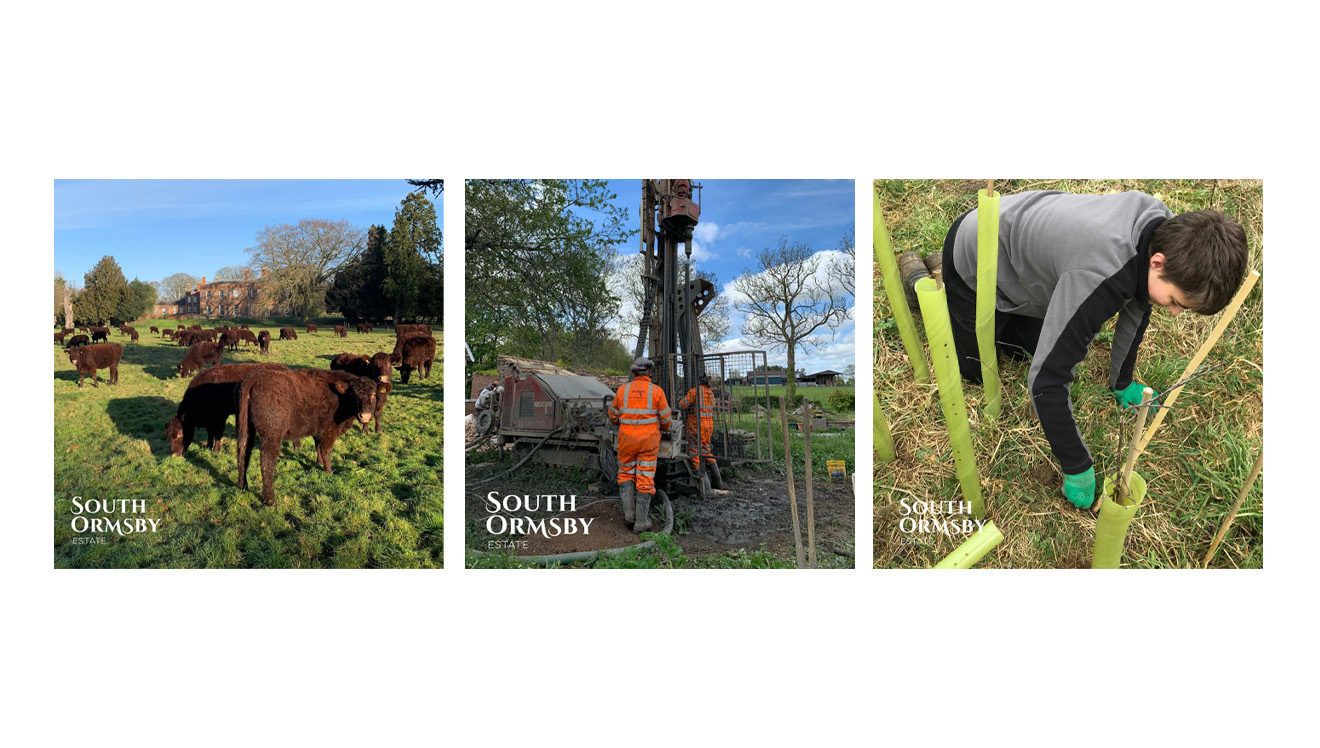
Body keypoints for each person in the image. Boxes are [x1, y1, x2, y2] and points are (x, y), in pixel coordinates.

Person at [938, 190, 1249, 509]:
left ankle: (981, 298)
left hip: (1021, 253)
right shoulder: (1099, 272)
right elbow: (1046, 381)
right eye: (1175, 302)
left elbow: (1139, 302)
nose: (1173, 313)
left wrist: (1123, 382)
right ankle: (930, 280)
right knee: (977, 370)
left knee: (1026, 348)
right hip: (974, 258)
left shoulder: (1163, 232)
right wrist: (1077, 466)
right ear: (1158, 263)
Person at [608, 358, 672, 532]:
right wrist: (662, 426)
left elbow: (613, 416)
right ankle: (641, 522)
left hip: (626, 441)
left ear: (634, 372)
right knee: (645, 479)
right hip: (647, 442)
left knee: (626, 475)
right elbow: (666, 421)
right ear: (649, 372)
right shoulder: (657, 392)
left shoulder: (622, 391)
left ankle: (629, 515)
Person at [678, 374, 716, 477]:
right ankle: (718, 481)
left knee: (694, 452)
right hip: (709, 426)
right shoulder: (710, 393)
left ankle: (703, 484)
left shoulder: (695, 391)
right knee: (706, 450)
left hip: (697, 426)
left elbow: (682, 405)